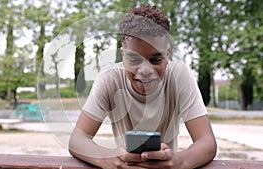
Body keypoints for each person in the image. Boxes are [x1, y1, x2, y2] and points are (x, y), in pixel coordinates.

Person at [69, 5, 217, 169]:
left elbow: (207, 142)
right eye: (134, 59)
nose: (146, 70)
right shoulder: (109, 79)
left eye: (155, 60)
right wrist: (109, 159)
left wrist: (177, 162)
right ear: (123, 55)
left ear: (167, 55)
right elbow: (77, 140)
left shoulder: (180, 76)